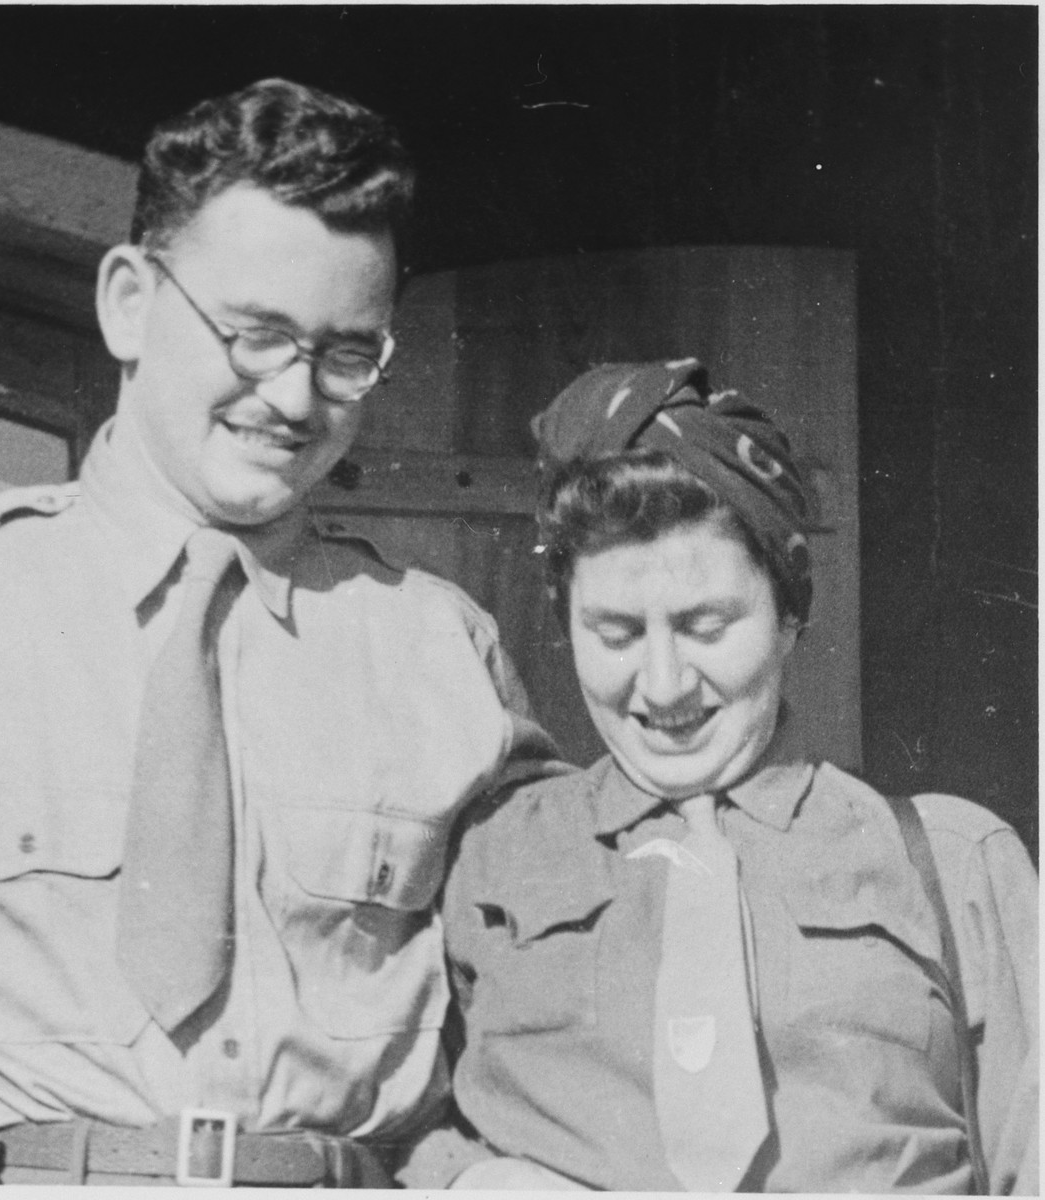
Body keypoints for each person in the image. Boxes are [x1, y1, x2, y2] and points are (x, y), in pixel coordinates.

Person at [0, 78, 557, 1187]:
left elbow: (536, 1025)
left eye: (347, 355)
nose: (293, 399)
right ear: (126, 302)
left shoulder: (439, 652)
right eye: (253, 337)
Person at [443, 359, 1038, 1192]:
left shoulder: (956, 862)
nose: (663, 685)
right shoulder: (490, 856)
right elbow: (398, 1127)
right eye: (615, 633)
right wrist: (470, 1182)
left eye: (706, 626)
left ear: (790, 611)